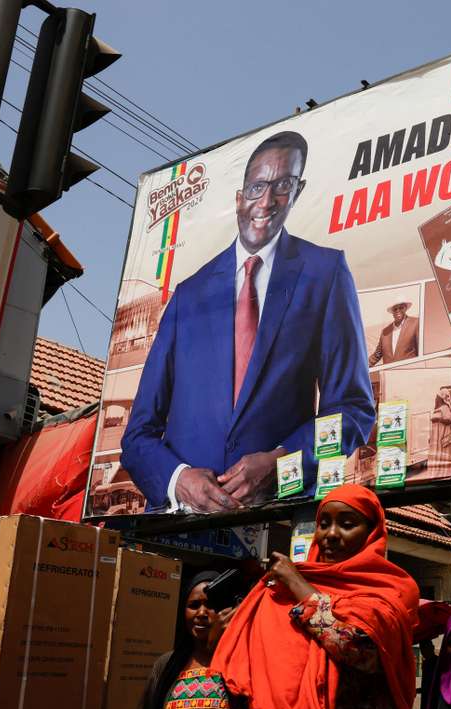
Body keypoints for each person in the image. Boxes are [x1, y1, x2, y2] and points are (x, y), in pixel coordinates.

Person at [123, 131, 375, 512]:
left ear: (298, 191)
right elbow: (138, 435)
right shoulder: (189, 294)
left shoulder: (325, 273)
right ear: (239, 198)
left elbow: (353, 410)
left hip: (278, 522)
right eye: (258, 186)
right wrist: (179, 480)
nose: (268, 200)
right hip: (179, 529)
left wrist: (283, 462)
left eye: (283, 185)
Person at [212, 485, 420, 709]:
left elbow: (355, 649)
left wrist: (297, 584)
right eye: (323, 524)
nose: (330, 534)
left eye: (347, 524)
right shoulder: (280, 590)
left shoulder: (389, 591)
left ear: (371, 533)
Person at [134, 570, 252, 709]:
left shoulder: (241, 664)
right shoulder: (166, 664)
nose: (201, 613)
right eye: (194, 605)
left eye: (210, 605)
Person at [369, 298, 419, 366]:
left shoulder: (416, 323)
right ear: (392, 312)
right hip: (389, 374)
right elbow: (377, 354)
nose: (398, 310)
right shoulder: (385, 332)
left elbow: (421, 349)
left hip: (409, 372)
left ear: (405, 308)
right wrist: (362, 366)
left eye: (401, 307)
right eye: (395, 309)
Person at [428, 386, 451, 471]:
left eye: (437, 397)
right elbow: (448, 419)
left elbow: (448, 419)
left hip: (440, 438)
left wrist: (438, 419)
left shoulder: (441, 409)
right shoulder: (441, 408)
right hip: (439, 437)